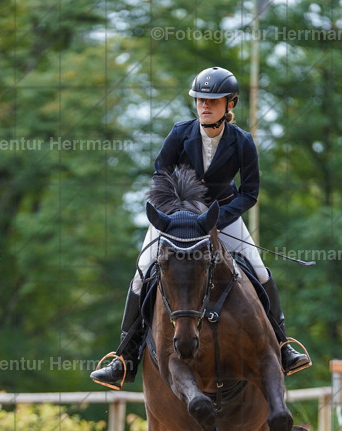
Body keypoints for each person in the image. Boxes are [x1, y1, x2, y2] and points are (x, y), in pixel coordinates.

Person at [91, 66, 310, 390]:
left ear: (230, 104)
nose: (204, 106)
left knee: (261, 272)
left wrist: (216, 219)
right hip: (177, 220)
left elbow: (250, 192)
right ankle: (125, 358)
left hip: (224, 216)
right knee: (142, 272)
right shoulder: (180, 133)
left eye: (213, 100)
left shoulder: (242, 142)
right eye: (200, 100)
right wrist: (178, 216)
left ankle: (283, 347)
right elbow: (159, 177)